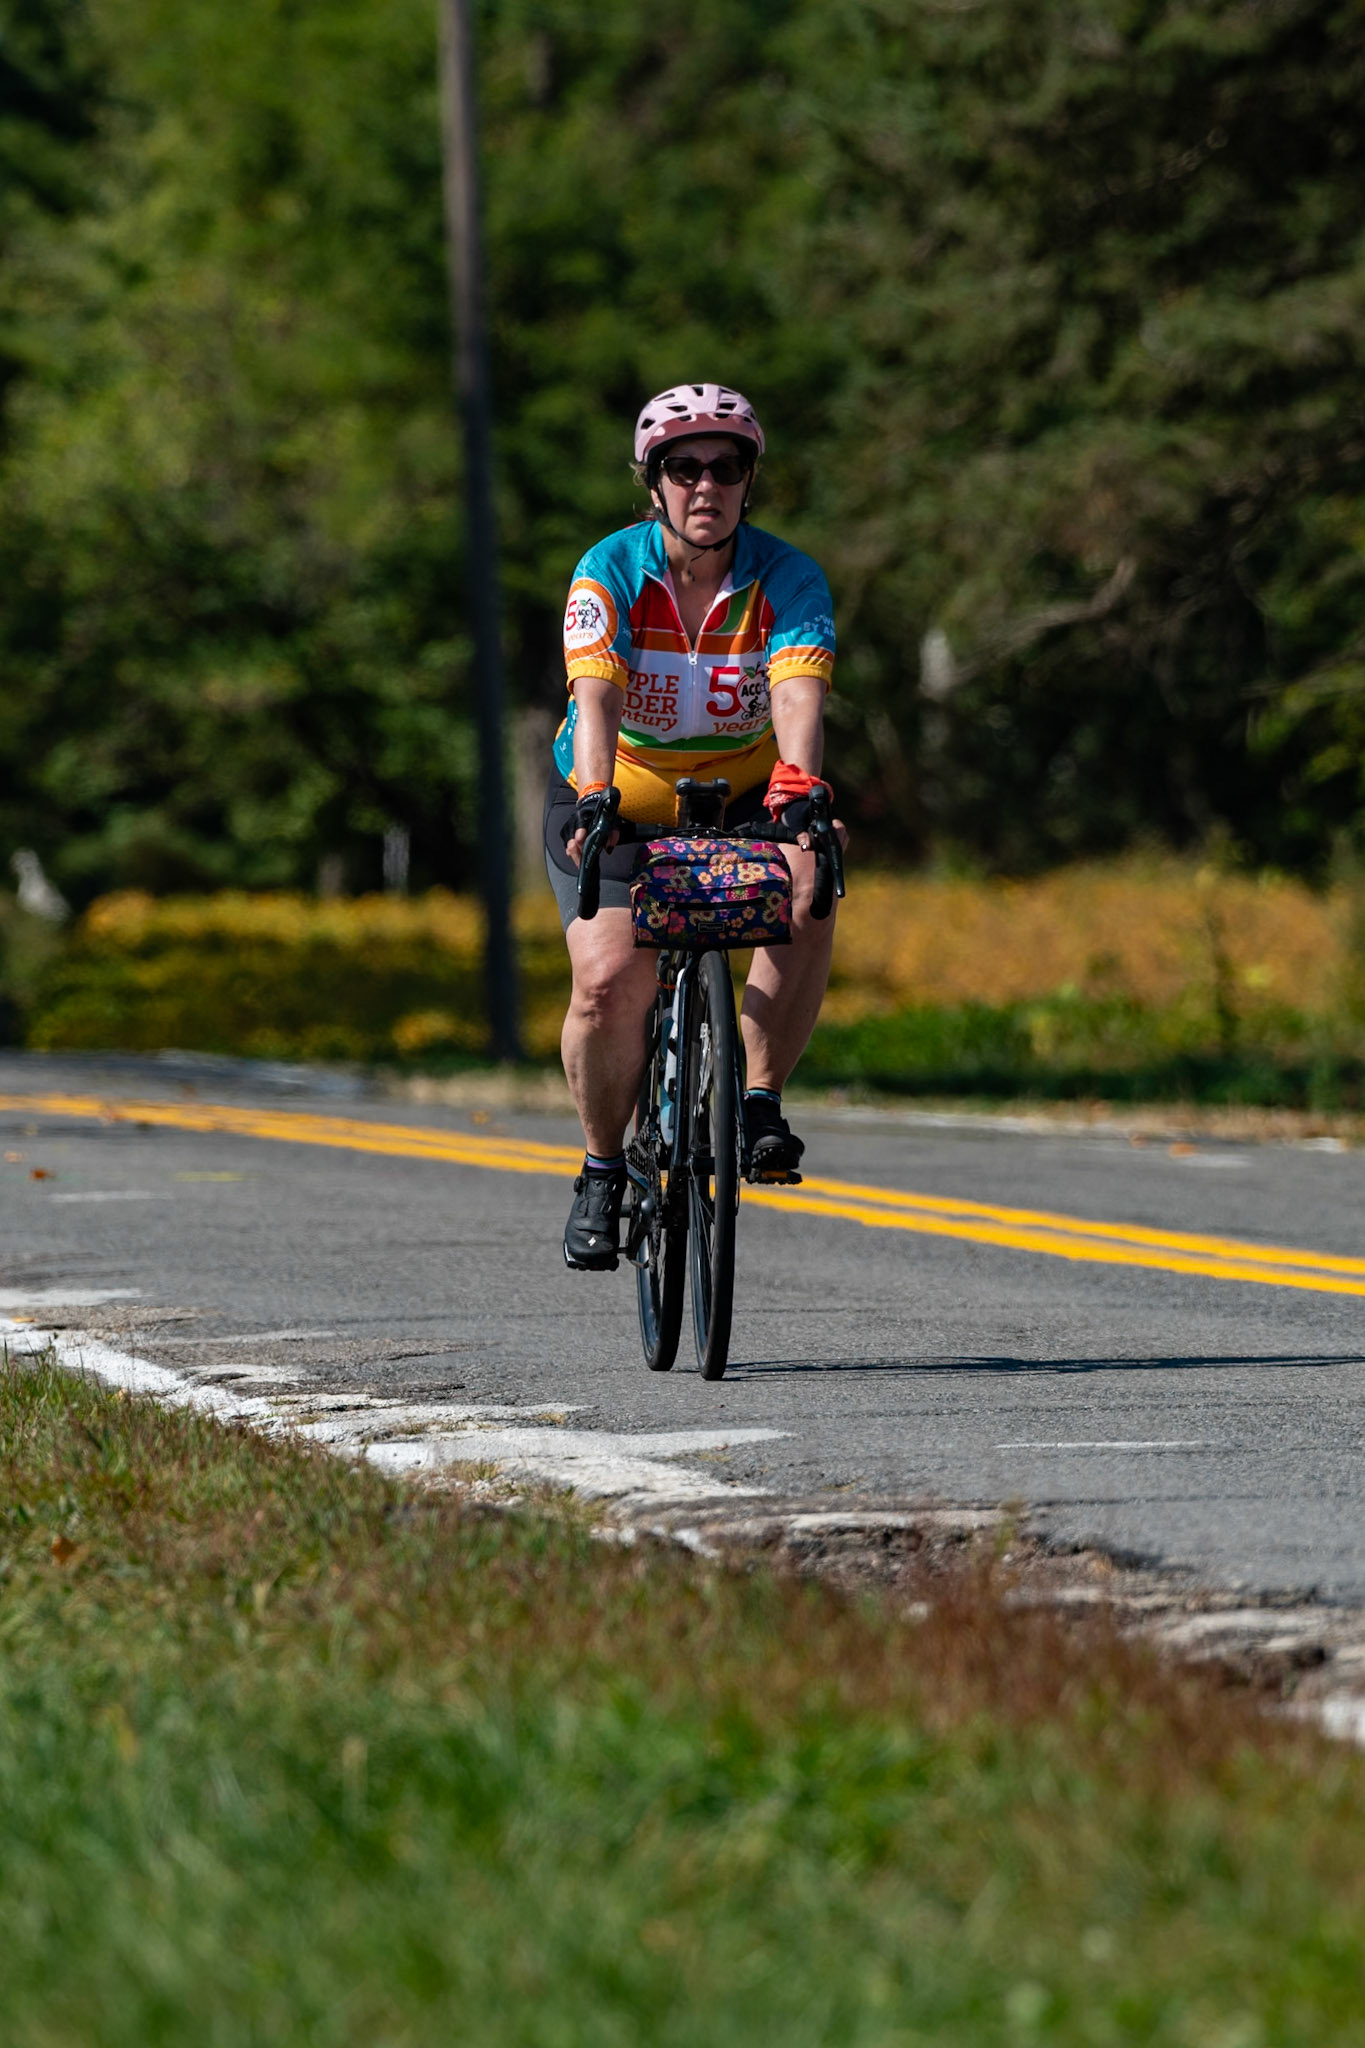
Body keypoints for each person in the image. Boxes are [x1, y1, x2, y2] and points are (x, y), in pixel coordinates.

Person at [543, 382, 841, 1271]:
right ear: (652, 483)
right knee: (608, 982)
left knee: (812, 880)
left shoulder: (786, 575)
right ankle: (601, 1170)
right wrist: (597, 796)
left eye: (726, 466)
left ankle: (758, 1101)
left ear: (750, 480)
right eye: (683, 468)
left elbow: (797, 693)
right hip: (620, 792)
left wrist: (799, 794)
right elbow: (595, 695)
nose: (705, 485)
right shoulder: (609, 568)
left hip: (742, 790)